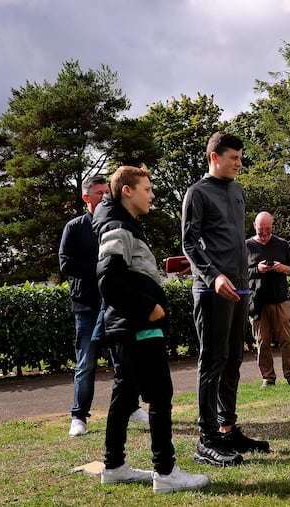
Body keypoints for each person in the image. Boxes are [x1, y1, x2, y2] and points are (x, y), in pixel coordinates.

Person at [94, 165, 208, 493]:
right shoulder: (118, 227)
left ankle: (114, 466)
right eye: (147, 189)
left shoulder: (122, 224)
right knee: (160, 394)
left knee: (125, 395)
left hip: (125, 327)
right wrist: (148, 308)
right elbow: (109, 279)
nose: (152, 195)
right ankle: (166, 472)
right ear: (127, 191)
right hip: (138, 327)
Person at [182, 131, 269, 467]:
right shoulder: (197, 193)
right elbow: (190, 244)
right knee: (213, 360)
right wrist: (213, 275)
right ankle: (206, 439)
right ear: (214, 157)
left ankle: (227, 428)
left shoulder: (237, 190)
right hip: (211, 289)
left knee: (234, 358)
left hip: (240, 287)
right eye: (233, 157)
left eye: (240, 157)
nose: (239, 163)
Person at [59, 175, 147, 438]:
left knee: (122, 361)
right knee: (86, 363)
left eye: (106, 192)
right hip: (87, 306)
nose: (104, 197)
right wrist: (101, 269)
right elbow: (66, 264)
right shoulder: (74, 227)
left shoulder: (116, 223)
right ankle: (79, 416)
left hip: (115, 305)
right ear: (87, 198)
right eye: (98, 193)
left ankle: (132, 407)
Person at [246, 211, 290, 388]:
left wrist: (282, 268)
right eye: (261, 229)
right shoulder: (246, 246)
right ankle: (268, 378)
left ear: (272, 227)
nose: (264, 233)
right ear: (255, 226)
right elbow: (239, 273)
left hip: (280, 300)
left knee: (287, 339)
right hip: (257, 302)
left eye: (268, 229)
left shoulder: (282, 244)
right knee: (262, 342)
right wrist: (257, 269)